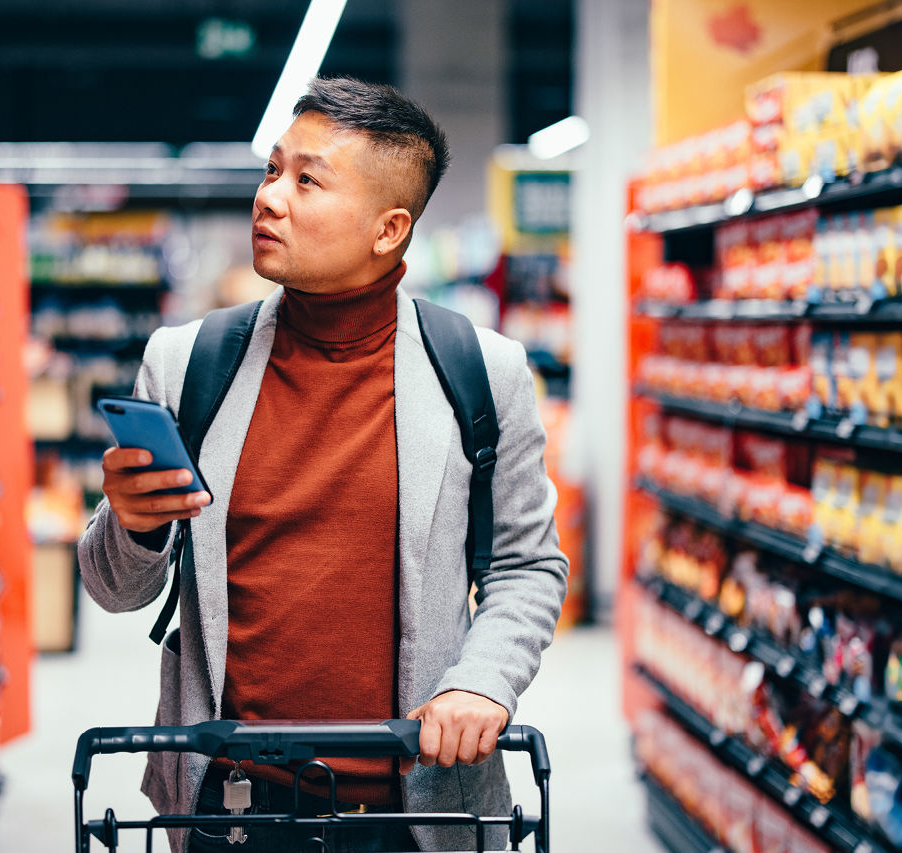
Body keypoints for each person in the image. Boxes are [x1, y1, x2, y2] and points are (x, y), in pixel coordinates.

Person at [78, 76, 568, 853]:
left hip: (417, 808)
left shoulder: (480, 372)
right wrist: (133, 526)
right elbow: (113, 590)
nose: (270, 197)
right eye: (273, 170)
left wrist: (484, 680)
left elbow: (527, 566)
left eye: (308, 179)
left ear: (388, 229)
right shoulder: (187, 364)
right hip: (227, 808)